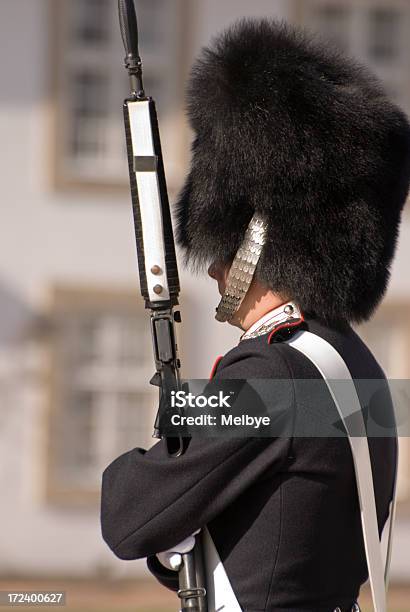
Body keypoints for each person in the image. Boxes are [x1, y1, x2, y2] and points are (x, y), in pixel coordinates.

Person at [100, 18, 410, 611]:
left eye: (225, 249)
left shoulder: (270, 377)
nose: (215, 269)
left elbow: (130, 517)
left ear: (258, 242)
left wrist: (169, 426)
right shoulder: (355, 367)